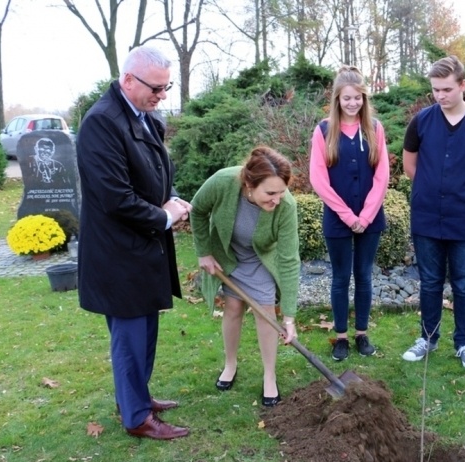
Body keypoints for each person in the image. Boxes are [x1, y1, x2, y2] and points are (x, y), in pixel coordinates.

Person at [77, 46, 192, 440]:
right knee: (129, 336)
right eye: (156, 89)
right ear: (128, 80)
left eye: (166, 88)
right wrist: (164, 216)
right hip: (118, 252)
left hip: (144, 248)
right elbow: (115, 197)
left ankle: (136, 397)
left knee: (145, 329)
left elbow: (158, 171)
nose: (162, 97)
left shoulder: (146, 118)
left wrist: (171, 198)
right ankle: (137, 418)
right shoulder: (101, 123)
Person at [401, 55, 465, 371]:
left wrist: (463, 191)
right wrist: (433, 189)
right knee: (430, 282)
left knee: (464, 284)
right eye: (435, 90)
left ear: (463, 85)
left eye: (447, 89)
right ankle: (428, 339)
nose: (441, 96)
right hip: (427, 217)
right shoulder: (421, 121)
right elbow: (409, 167)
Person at [190, 146, 300, 407]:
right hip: (229, 255)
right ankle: (230, 364)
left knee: (265, 312)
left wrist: (290, 316)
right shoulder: (223, 182)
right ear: (249, 184)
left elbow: (288, 260)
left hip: (260, 257)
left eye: (282, 191)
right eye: (270, 193)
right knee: (233, 307)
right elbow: (197, 210)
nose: (276, 199)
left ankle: (269, 376)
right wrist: (204, 252)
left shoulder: (286, 206)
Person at [309, 66, 390, 361]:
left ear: (364, 98)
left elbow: (382, 175)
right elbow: (319, 179)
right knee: (341, 278)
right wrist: (347, 215)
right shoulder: (323, 131)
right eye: (347, 98)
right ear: (337, 99)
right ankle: (341, 336)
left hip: (370, 218)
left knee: (364, 276)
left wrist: (366, 216)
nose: (353, 103)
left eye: (358, 98)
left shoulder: (375, 129)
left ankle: (362, 334)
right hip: (337, 218)